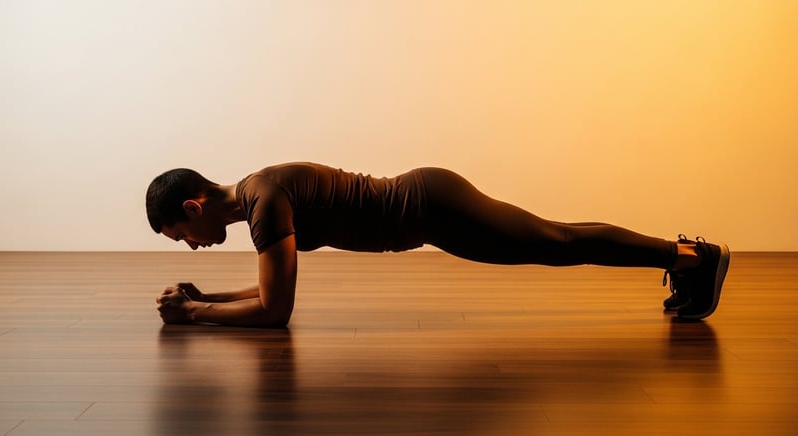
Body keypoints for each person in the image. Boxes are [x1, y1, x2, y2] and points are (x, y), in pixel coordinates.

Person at [146, 162, 730, 327]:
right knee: (557, 240)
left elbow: (276, 312)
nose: (192, 247)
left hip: (433, 207)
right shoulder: (258, 195)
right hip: (432, 210)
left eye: (182, 237)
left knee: (556, 241)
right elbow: (273, 292)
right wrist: (207, 298)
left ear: (193, 207)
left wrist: (194, 314)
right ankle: (686, 261)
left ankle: (692, 258)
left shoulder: (265, 202)